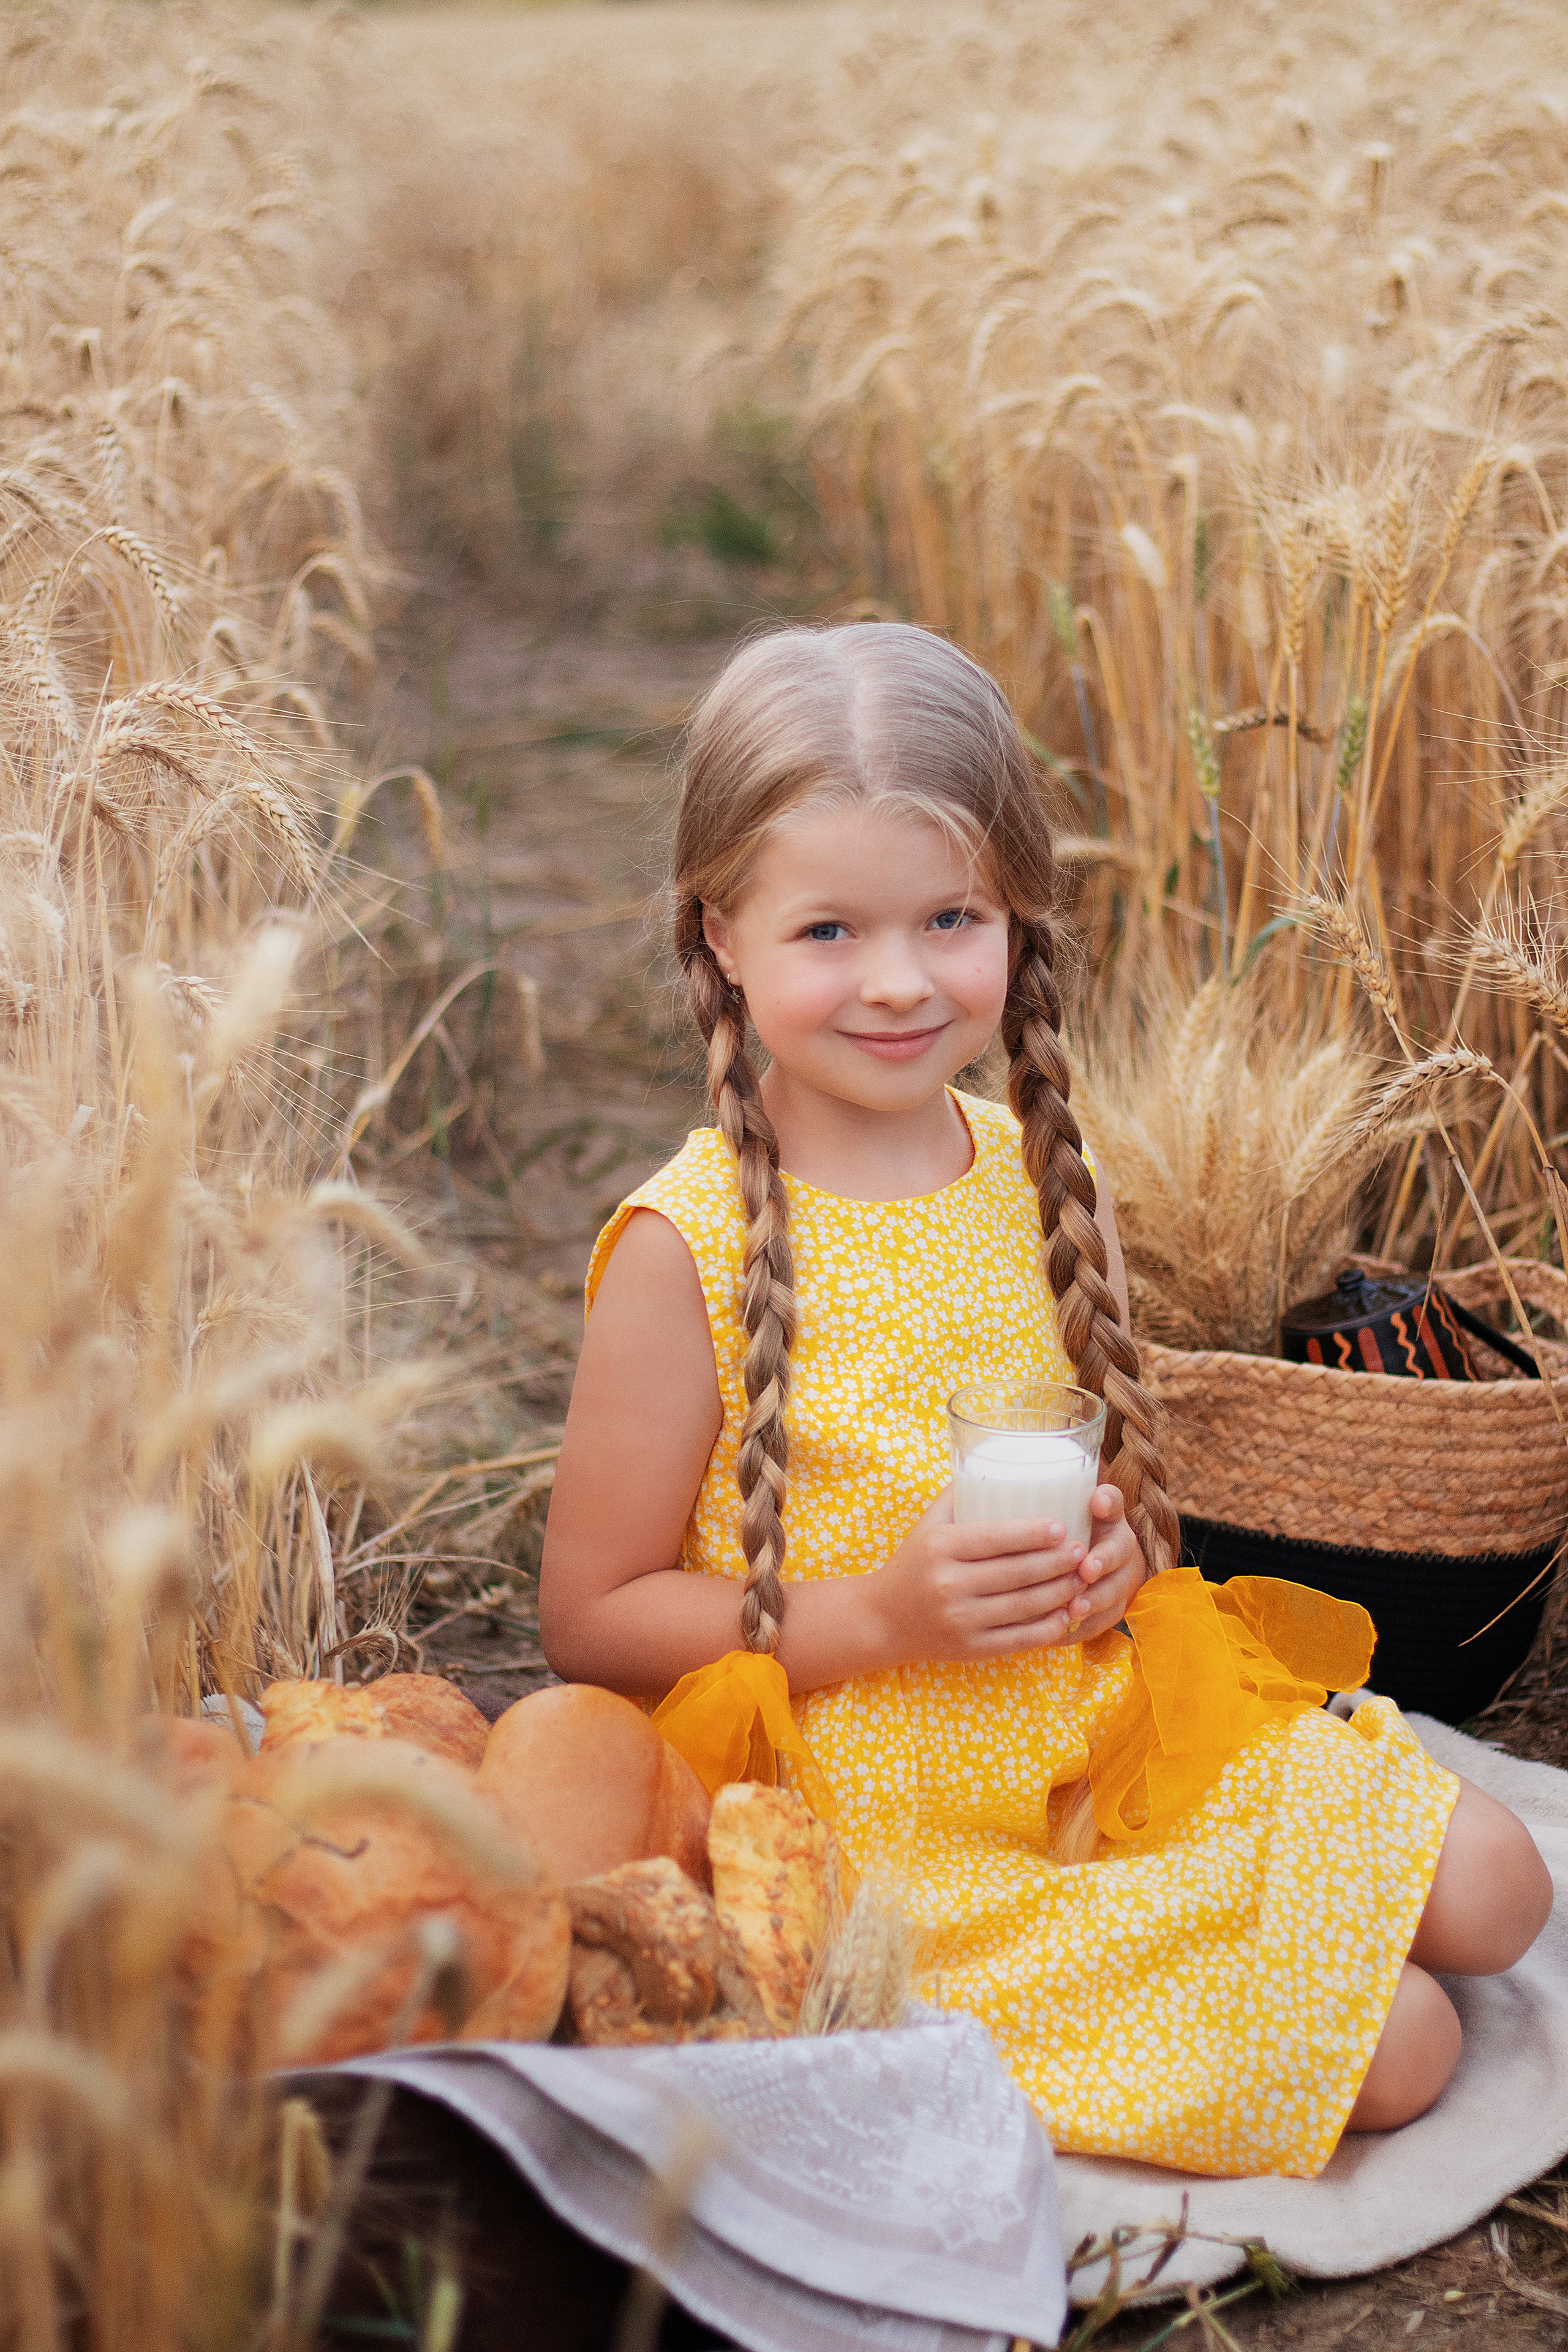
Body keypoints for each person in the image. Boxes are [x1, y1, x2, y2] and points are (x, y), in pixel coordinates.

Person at [538, 622, 1552, 2177]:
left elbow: (1126, 1494)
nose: (895, 981)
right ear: (720, 932)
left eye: (949, 917)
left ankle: (1220, 1932)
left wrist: (1118, 1559)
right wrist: (883, 1616)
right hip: (891, 1822)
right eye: (827, 930)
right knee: (1404, 2046)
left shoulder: (1026, 1170)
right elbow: (589, 1620)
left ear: (1017, 914)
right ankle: (1100, 1990)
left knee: (1499, 1890)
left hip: (1092, 1728)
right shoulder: (685, 1253)